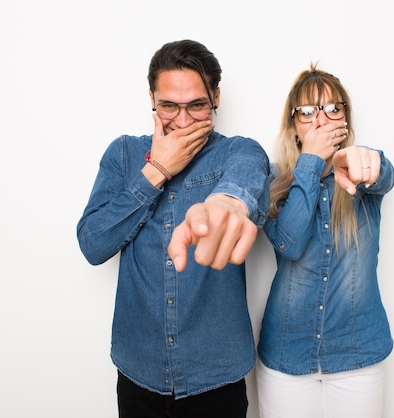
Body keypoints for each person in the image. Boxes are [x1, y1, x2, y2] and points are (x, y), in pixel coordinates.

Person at [77, 39, 270, 418]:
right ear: (151, 98)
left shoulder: (238, 151)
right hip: (139, 370)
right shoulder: (124, 155)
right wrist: (156, 172)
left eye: (197, 105)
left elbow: (245, 177)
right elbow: (92, 243)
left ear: (216, 97)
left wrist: (226, 203)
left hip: (216, 376)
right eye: (169, 106)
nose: (182, 121)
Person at [256, 64, 394, 418]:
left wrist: (371, 162)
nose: (320, 119)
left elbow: (384, 174)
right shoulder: (272, 180)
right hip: (287, 355)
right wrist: (310, 164)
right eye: (307, 111)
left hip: (358, 355)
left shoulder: (360, 171)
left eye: (333, 108)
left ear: (345, 119)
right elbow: (289, 242)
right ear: (294, 127)